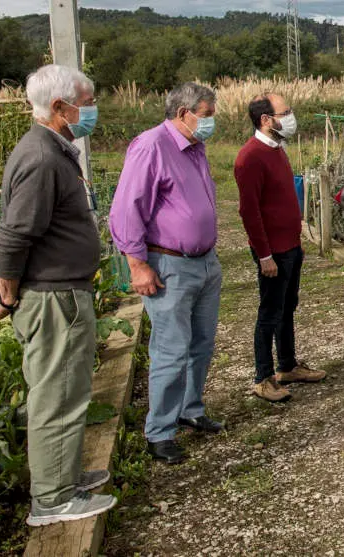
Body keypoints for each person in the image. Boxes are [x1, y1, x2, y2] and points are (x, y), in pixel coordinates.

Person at [0, 64, 116, 526]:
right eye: (87, 102)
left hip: (59, 291)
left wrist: (7, 282)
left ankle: (65, 477)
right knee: (57, 397)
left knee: (67, 390)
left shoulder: (50, 150)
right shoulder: (42, 157)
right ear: (60, 107)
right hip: (54, 298)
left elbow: (25, 231)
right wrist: (7, 289)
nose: (92, 110)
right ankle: (54, 499)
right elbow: (14, 235)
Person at [109, 82, 223, 465]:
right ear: (183, 113)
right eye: (206, 115)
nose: (211, 122)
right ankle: (159, 431)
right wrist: (137, 264)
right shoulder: (151, 146)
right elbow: (127, 209)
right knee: (171, 350)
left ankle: (190, 409)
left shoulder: (195, 146)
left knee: (201, 343)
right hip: (169, 264)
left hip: (204, 262)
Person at [234, 93, 326, 403]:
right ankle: (263, 377)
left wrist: (296, 242)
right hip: (272, 252)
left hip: (291, 246)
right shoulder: (250, 157)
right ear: (265, 120)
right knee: (270, 312)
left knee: (288, 307)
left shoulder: (277, 148)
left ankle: (287, 365)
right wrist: (264, 255)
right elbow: (249, 212)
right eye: (285, 113)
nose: (291, 117)